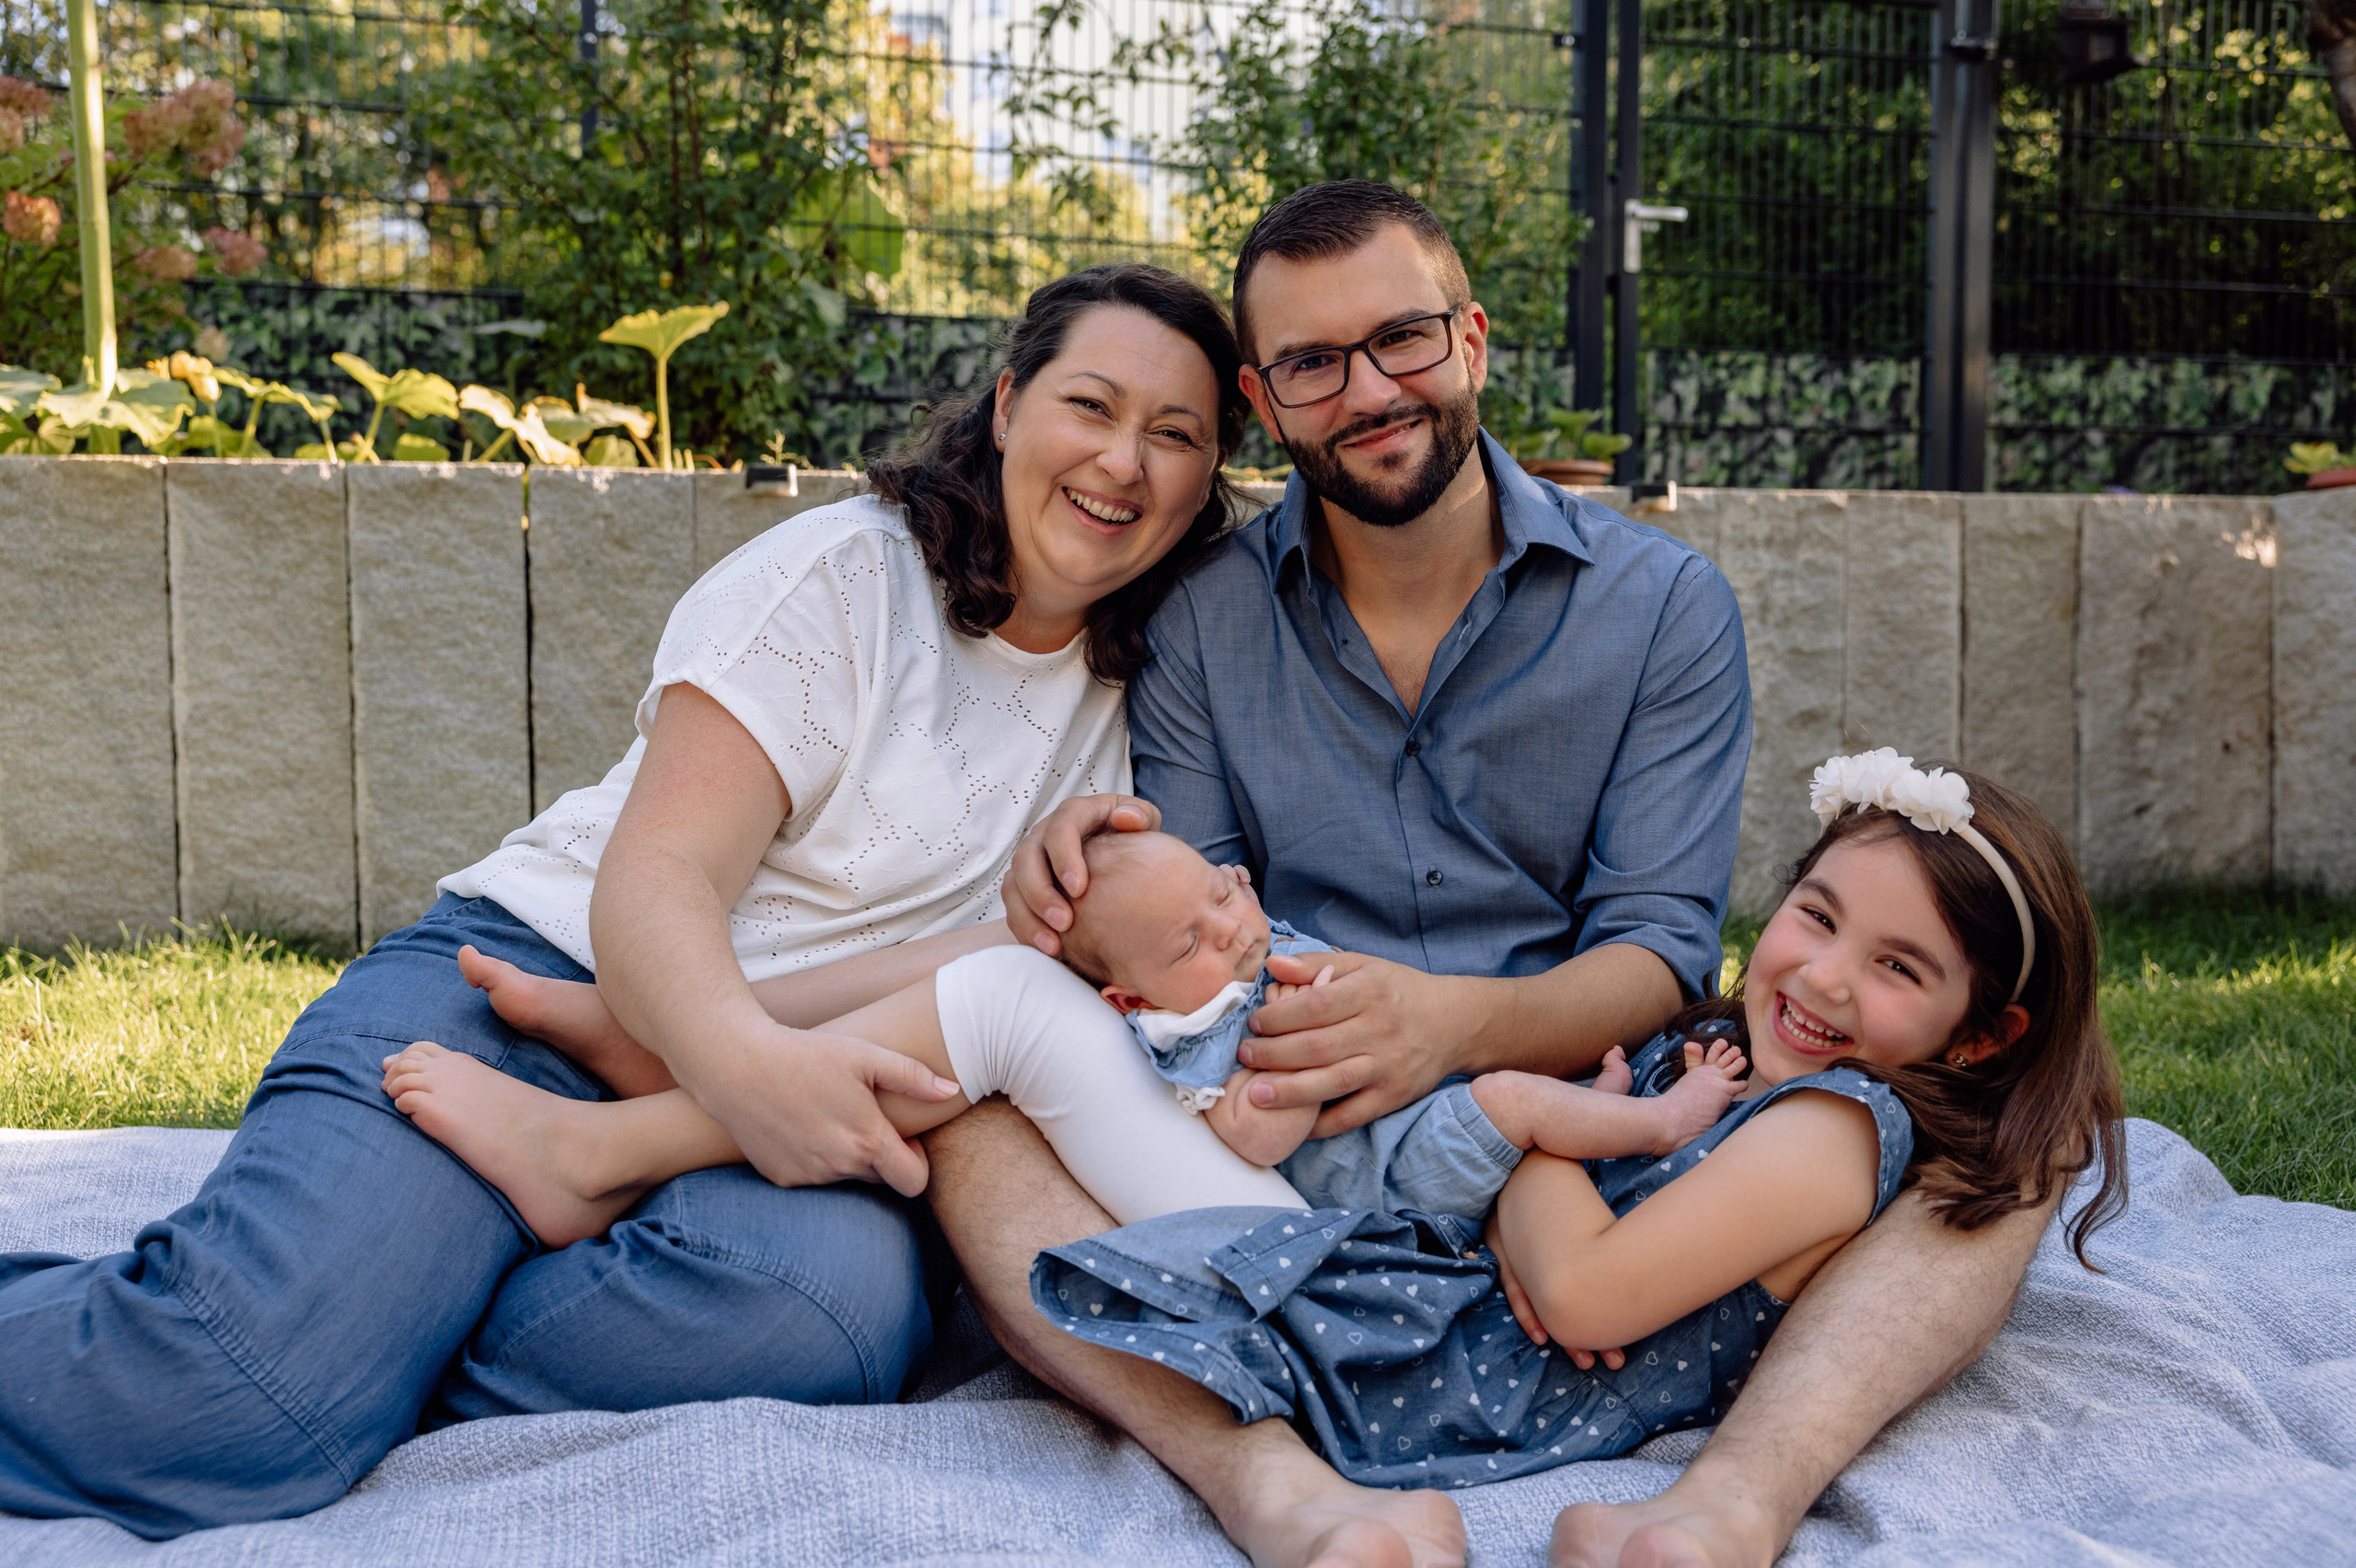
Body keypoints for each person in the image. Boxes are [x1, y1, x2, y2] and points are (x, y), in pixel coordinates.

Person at [0, 262, 1255, 1539]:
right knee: (241, 1396)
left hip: (769, 1113)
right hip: (532, 994)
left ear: (1211, 479)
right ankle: (312, 1344)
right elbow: (655, 878)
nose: (1123, 462)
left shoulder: (1155, 704)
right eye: (1090, 406)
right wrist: (738, 1063)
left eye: (1176, 436)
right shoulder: (853, 577)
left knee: (822, 1315)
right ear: (1004, 407)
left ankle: (368, 1342)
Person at [917, 179, 2063, 1568]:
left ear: (1470, 338)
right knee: (974, 1125)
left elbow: (1655, 950)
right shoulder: (1201, 617)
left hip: (1585, 1113)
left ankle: (1731, 1502)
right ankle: (1273, 1487)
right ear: (1262, 401)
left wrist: (1454, 1031)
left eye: (1401, 339)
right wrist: (1104, 866)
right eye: (1312, 365)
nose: (1368, 392)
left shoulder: (1660, 609)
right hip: (1297, 1141)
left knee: (2014, 1144)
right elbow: (1196, 924)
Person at [1034, 755, 2127, 1498]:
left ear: (1980, 1037)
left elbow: (1583, 1292)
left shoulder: (1836, 1125)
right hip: (1452, 1293)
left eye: (1898, 966)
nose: (1827, 979)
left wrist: (1545, 1140)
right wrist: (1555, 1151)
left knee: (1041, 1106)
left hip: (1461, 1375)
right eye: (1818, 917)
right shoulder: (1729, 1061)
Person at [377, 828, 1749, 1241]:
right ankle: (658, 1041)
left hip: (1296, 1226)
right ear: (1140, 1007)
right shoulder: (1195, 1023)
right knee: (1005, 967)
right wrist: (1282, 1072)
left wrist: (1322, 1042)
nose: (1234, 926)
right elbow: (1243, 1104)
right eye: (1198, 940)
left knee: (1002, 1000)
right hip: (1264, 1169)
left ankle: (612, 1131)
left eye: (1230, 897)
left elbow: (1278, 1120)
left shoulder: (1249, 974)